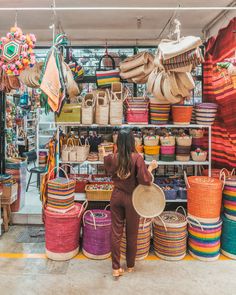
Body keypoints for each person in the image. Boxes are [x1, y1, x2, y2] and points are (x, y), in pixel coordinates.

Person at [102, 129, 158, 278]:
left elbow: (106, 164)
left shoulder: (112, 158)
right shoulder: (137, 158)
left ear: (118, 142)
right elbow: (145, 181)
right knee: (132, 233)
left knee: (116, 233)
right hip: (133, 199)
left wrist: (103, 153)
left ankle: (115, 267)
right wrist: (151, 168)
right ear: (133, 142)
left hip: (117, 196)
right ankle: (130, 266)